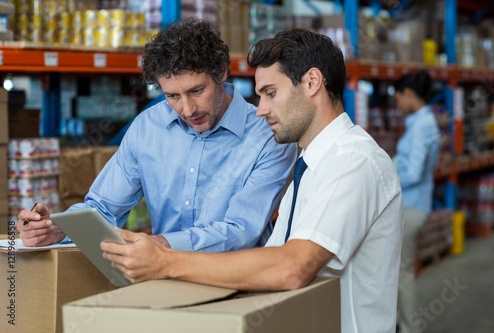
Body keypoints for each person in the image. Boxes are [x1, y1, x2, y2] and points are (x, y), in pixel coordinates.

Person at [101, 28, 404, 333]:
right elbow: (272, 259)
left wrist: (166, 261)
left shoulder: (353, 161)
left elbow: (291, 268)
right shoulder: (312, 164)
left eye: (270, 93)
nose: (260, 110)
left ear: (312, 83)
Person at [16, 18, 297, 251]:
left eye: (197, 91)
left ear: (222, 73)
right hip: (161, 279)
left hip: (239, 285)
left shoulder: (268, 134)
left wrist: (159, 244)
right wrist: (57, 229)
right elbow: (102, 208)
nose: (187, 109)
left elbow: (241, 231)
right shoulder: (148, 128)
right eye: (172, 96)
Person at [392, 71, 440, 333]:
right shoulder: (420, 123)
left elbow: (413, 172)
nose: (397, 105)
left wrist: (385, 176)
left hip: (412, 206)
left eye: (398, 98)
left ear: (409, 94)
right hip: (411, 204)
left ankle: (410, 328)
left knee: (403, 273)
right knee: (400, 272)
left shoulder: (423, 126)